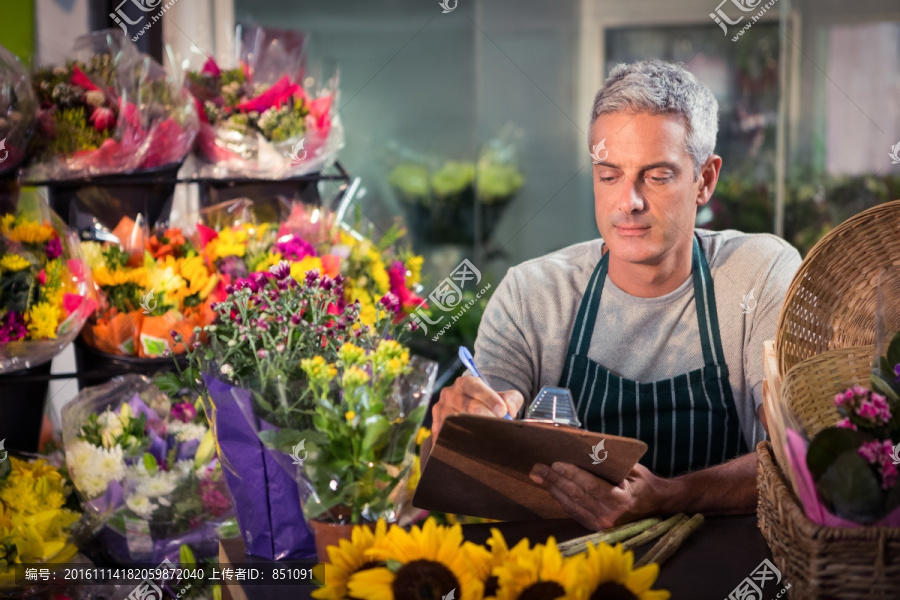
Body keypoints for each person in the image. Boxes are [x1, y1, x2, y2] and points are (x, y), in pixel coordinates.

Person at [426, 60, 801, 531]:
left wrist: (670, 496)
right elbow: (477, 458)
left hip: (724, 567)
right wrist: (462, 425)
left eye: (657, 176)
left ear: (704, 179)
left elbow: (798, 456)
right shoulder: (532, 294)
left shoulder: (759, 274)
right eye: (609, 175)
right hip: (567, 572)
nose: (629, 202)